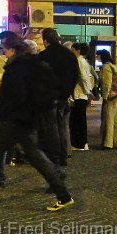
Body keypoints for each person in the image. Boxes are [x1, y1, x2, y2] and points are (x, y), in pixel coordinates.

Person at [0, 34, 74, 211]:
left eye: (3, 47)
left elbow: (17, 94)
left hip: (14, 119)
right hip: (27, 118)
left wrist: (5, 107)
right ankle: (63, 195)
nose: (2, 50)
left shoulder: (16, 67)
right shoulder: (32, 64)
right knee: (35, 156)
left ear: (12, 49)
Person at [38, 28, 79, 167]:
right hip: (64, 97)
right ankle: (63, 155)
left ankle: (53, 156)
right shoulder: (69, 55)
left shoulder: (43, 56)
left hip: (48, 98)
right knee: (62, 126)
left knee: (51, 128)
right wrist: (67, 93)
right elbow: (75, 76)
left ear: (45, 40)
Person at [70, 43, 93, 151]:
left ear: (78, 51)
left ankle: (80, 143)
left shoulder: (79, 61)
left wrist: (88, 92)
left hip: (79, 94)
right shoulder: (84, 61)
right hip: (82, 94)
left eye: (72, 50)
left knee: (77, 120)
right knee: (80, 120)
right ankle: (82, 143)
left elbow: (83, 78)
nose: (71, 52)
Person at [98, 49, 117, 150]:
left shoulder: (106, 66)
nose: (97, 58)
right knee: (116, 119)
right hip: (116, 95)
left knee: (108, 118)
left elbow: (107, 82)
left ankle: (108, 143)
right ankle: (116, 142)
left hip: (110, 96)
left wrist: (105, 96)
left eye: (98, 56)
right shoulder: (113, 65)